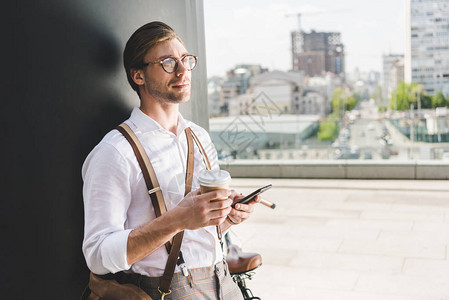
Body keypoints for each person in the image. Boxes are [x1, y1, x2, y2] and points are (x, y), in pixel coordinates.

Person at [82, 21, 259, 299]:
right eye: (167, 62)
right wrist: (176, 220)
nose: (182, 70)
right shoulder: (115, 152)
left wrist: (226, 217)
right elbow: (98, 256)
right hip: (167, 290)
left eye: (185, 60)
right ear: (138, 76)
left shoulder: (199, 137)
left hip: (223, 281)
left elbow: (197, 236)